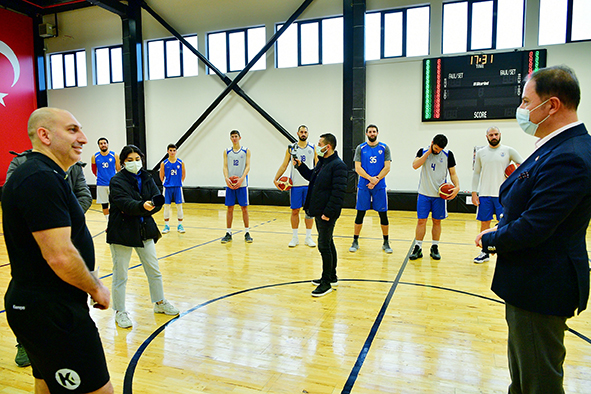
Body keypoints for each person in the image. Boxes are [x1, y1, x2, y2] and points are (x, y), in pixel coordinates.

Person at [476, 65, 591, 394]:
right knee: (525, 378)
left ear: (552, 105)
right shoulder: (558, 146)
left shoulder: (570, 155)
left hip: (541, 284)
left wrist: (490, 239)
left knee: (538, 381)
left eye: (526, 102)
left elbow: (536, 226)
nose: (522, 110)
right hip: (532, 281)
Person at [2, 107, 113, 393]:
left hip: (44, 308)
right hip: (52, 314)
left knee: (48, 385)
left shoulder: (48, 175)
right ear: (45, 135)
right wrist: (96, 288)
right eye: (73, 130)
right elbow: (60, 256)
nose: (84, 138)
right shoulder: (39, 178)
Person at [6, 149, 93, 368]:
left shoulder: (74, 166)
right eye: (71, 130)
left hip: (68, 237)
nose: (79, 139)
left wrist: (66, 219)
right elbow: (13, 196)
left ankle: (68, 332)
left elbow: (84, 195)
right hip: (35, 241)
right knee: (31, 288)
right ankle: (24, 342)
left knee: (67, 286)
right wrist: (50, 219)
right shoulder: (21, 164)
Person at [107, 145, 179, 329]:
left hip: (144, 229)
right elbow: (124, 203)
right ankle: (120, 311)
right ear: (123, 162)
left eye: (137, 159)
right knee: (120, 273)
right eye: (129, 160)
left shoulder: (147, 177)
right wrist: (142, 206)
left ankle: (159, 302)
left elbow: (156, 198)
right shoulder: (116, 181)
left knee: (153, 269)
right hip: (122, 231)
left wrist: (150, 206)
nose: (134, 163)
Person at [294, 133, 347, 297]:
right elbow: (312, 177)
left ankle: (326, 283)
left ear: (328, 147)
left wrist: (328, 213)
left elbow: (338, 193)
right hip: (319, 210)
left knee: (323, 245)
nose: (317, 147)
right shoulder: (323, 163)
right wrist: (300, 165)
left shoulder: (338, 166)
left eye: (319, 144)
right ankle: (332, 276)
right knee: (328, 243)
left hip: (327, 213)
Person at [471, 127, 523, 264]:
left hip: (503, 195)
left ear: (500, 135)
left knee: (504, 224)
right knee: (484, 223)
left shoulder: (508, 151)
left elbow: (523, 165)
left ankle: (505, 251)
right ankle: (485, 252)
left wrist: (514, 175)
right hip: (485, 194)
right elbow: (476, 173)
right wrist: (474, 192)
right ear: (486, 136)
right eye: (491, 135)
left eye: (495, 134)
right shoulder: (481, 153)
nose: (493, 137)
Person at [410, 134, 459, 260]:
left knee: (437, 221)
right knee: (421, 221)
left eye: (439, 149)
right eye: (436, 148)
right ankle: (418, 247)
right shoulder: (423, 151)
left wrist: (457, 186)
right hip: (424, 193)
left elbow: (453, 173)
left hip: (439, 196)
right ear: (432, 143)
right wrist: (428, 153)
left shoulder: (448, 154)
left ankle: (435, 247)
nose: (437, 151)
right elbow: (415, 165)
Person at [349, 124, 393, 254]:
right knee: (360, 213)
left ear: (377, 133)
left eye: (374, 131)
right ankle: (355, 240)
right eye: (370, 132)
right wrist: (370, 179)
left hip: (379, 186)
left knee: (383, 214)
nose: (372, 133)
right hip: (364, 185)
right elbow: (358, 168)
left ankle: (386, 242)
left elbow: (387, 167)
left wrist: (376, 179)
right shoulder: (360, 148)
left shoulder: (384, 148)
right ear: (366, 134)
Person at [273, 125, 317, 248]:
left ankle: (308, 237)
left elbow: (318, 165)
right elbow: (284, 165)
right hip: (295, 185)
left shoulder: (313, 147)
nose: (303, 134)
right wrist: (276, 178)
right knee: (295, 211)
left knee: (309, 212)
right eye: (301, 132)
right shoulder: (291, 148)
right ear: (298, 133)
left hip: (309, 185)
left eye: (305, 132)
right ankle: (295, 237)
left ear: (308, 134)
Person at [221, 130, 253, 243]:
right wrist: (226, 178)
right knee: (230, 208)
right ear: (230, 138)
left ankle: (247, 232)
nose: (234, 138)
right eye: (232, 136)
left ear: (240, 137)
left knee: (244, 208)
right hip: (230, 184)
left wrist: (241, 179)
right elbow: (225, 166)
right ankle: (228, 232)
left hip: (242, 184)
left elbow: (248, 166)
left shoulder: (245, 151)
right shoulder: (227, 151)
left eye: (236, 136)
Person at [159, 143, 186, 234]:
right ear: (167, 151)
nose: (172, 152)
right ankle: (166, 226)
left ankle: (180, 225)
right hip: (167, 187)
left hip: (177, 187)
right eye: (170, 150)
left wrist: (178, 182)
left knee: (179, 206)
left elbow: (183, 175)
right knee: (166, 207)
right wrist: (167, 183)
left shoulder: (180, 162)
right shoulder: (164, 163)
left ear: (176, 151)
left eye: (174, 150)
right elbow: (161, 176)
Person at [92, 137, 120, 221]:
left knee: (115, 204)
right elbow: (94, 170)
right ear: (99, 145)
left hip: (113, 184)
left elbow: (118, 169)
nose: (103, 145)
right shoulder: (95, 156)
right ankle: (109, 222)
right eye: (101, 143)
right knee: (104, 205)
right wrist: (100, 177)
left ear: (107, 144)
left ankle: (115, 221)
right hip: (101, 184)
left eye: (104, 143)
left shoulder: (114, 155)